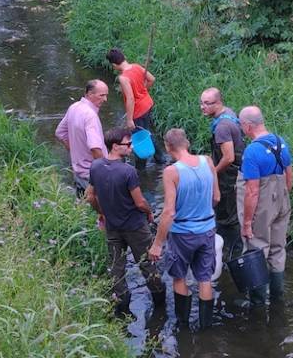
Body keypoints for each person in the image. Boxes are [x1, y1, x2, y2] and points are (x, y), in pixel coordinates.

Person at [85, 127, 165, 316]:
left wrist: (102, 213)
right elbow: (139, 202)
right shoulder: (128, 171)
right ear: (115, 147)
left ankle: (122, 307)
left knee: (116, 267)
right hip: (135, 227)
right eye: (127, 144)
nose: (131, 147)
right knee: (147, 264)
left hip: (112, 226)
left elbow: (90, 196)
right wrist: (149, 212)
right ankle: (160, 303)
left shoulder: (96, 166)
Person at [149, 129, 220, 330]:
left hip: (182, 234)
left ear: (168, 147)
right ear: (187, 143)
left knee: (179, 277)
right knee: (205, 279)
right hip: (207, 230)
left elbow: (169, 212)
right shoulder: (207, 161)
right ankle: (206, 328)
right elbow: (216, 198)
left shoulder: (172, 172)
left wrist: (157, 244)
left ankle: (183, 326)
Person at [236, 106, 293, 307]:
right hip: (282, 200)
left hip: (262, 204)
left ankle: (258, 302)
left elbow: (252, 191)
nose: (241, 128)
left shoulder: (252, 151)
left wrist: (246, 223)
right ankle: (277, 298)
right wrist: (282, 199)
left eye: (241, 124)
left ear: (248, 125)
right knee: (278, 249)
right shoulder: (280, 141)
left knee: (257, 248)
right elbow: (289, 175)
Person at [199, 87, 245, 261]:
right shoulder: (228, 113)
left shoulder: (222, 128)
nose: (202, 107)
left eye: (207, 103)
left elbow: (228, 157)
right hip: (236, 174)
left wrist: (212, 172)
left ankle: (231, 255)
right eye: (201, 103)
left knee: (227, 217)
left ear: (218, 103)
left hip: (229, 178)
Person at [106, 48, 164, 167]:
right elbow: (152, 79)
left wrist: (129, 119)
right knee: (146, 132)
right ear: (124, 57)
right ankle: (160, 158)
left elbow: (131, 99)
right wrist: (143, 91)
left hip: (138, 111)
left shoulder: (123, 78)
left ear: (114, 65)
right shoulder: (136, 66)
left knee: (139, 138)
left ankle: (141, 167)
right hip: (148, 103)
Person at [55, 79, 109, 196]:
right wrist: (105, 170)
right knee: (102, 210)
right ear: (89, 94)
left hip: (78, 171)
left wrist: (73, 150)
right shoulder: (90, 116)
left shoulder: (74, 107)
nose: (105, 99)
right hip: (91, 175)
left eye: (106, 95)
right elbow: (95, 148)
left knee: (82, 208)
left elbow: (60, 133)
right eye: (102, 95)